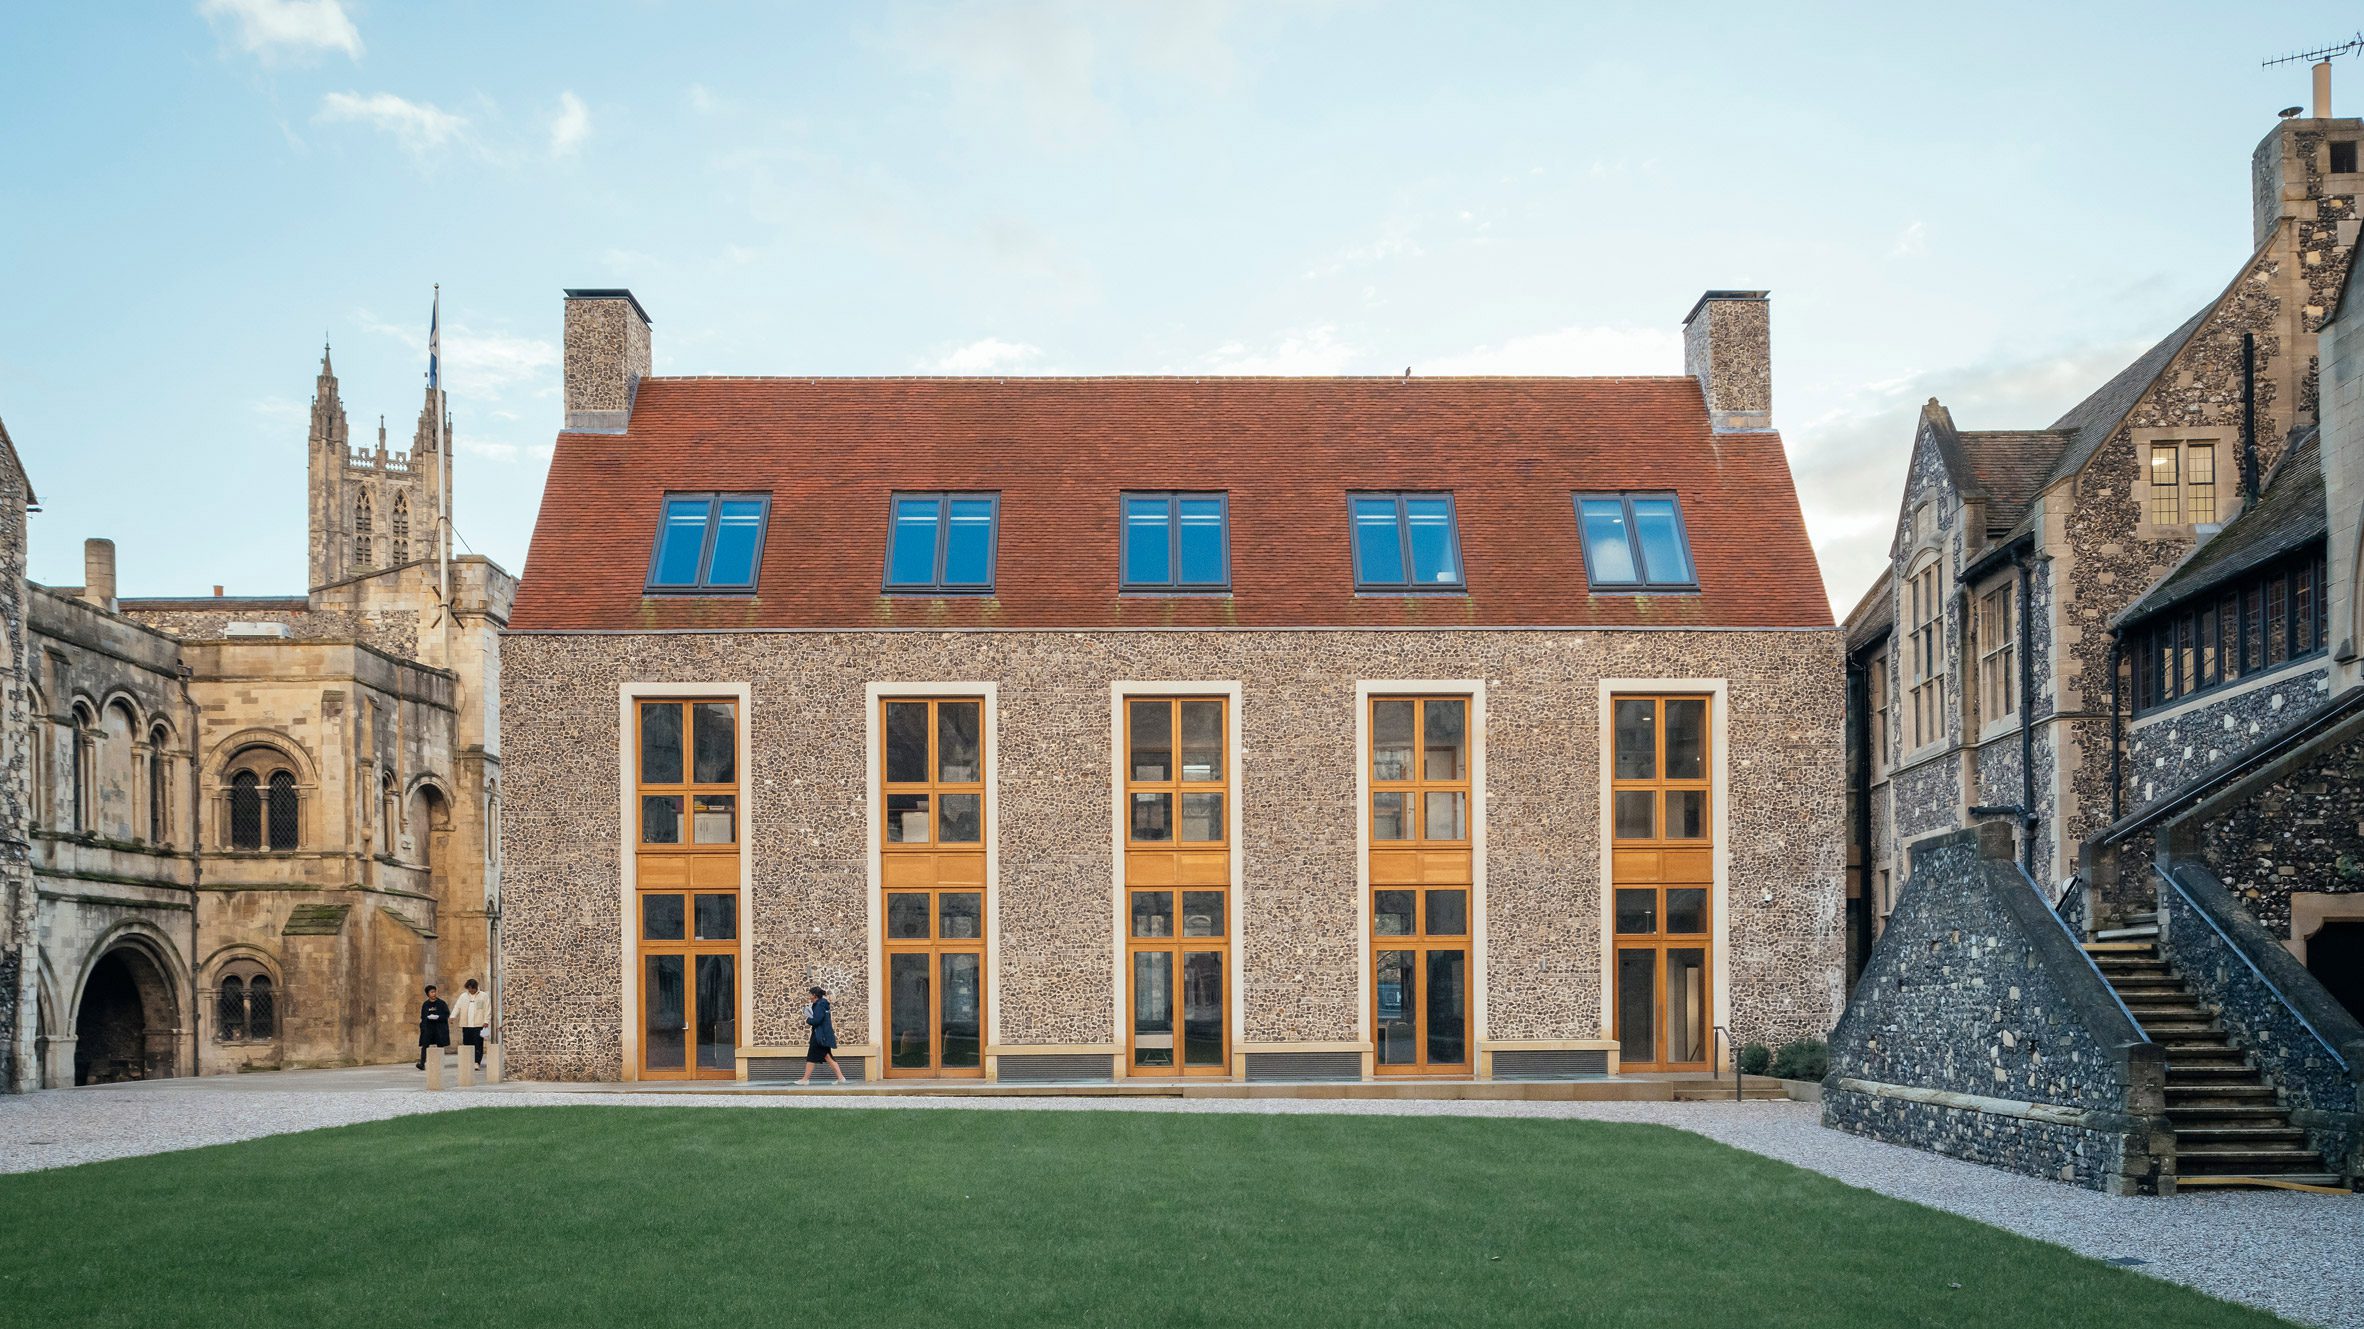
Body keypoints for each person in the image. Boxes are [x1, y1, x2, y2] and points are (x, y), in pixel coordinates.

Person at [798, 985, 846, 1085]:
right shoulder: (822, 1004)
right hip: (823, 1035)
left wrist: (808, 1019)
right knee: (827, 1057)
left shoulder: (819, 1005)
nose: (809, 997)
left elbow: (817, 1020)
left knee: (813, 1057)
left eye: (810, 994)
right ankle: (840, 1078)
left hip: (819, 1036)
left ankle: (805, 1080)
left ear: (814, 995)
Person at [454, 978, 490, 1068]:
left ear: (476, 987)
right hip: (466, 1025)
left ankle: (476, 1062)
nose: (470, 990)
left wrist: (486, 1021)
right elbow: (457, 1006)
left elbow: (487, 1009)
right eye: (468, 988)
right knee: (467, 1043)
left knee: (478, 1044)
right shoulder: (463, 996)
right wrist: (453, 1016)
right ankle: (468, 1062)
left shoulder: (484, 996)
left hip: (478, 1024)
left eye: (472, 988)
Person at [416, 984, 451, 1071]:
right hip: (428, 1028)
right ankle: (422, 1063)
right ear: (428, 994)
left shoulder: (441, 1003)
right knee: (425, 1045)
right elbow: (423, 1016)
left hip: (439, 1027)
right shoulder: (426, 1004)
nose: (434, 994)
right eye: (431, 992)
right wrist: (423, 1026)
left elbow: (446, 1014)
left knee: (440, 1045)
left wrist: (438, 1017)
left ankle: (440, 1062)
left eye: (434, 991)